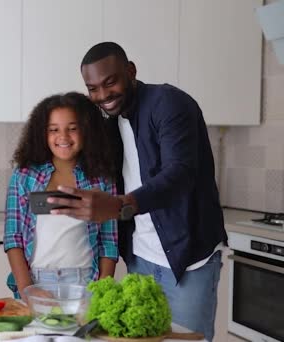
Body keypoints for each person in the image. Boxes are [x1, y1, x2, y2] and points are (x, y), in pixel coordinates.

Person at [48, 42, 227, 341]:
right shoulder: (111, 120)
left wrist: (120, 206)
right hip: (140, 258)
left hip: (187, 260)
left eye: (110, 82)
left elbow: (179, 173)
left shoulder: (168, 103)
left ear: (130, 71)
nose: (102, 95)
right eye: (93, 88)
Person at [3, 92, 119, 302]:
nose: (63, 137)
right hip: (37, 281)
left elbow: (109, 241)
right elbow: (13, 239)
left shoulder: (101, 180)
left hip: (85, 282)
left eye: (72, 129)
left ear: (87, 131)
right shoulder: (24, 177)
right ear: (42, 133)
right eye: (53, 130)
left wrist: (102, 289)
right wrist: (26, 288)